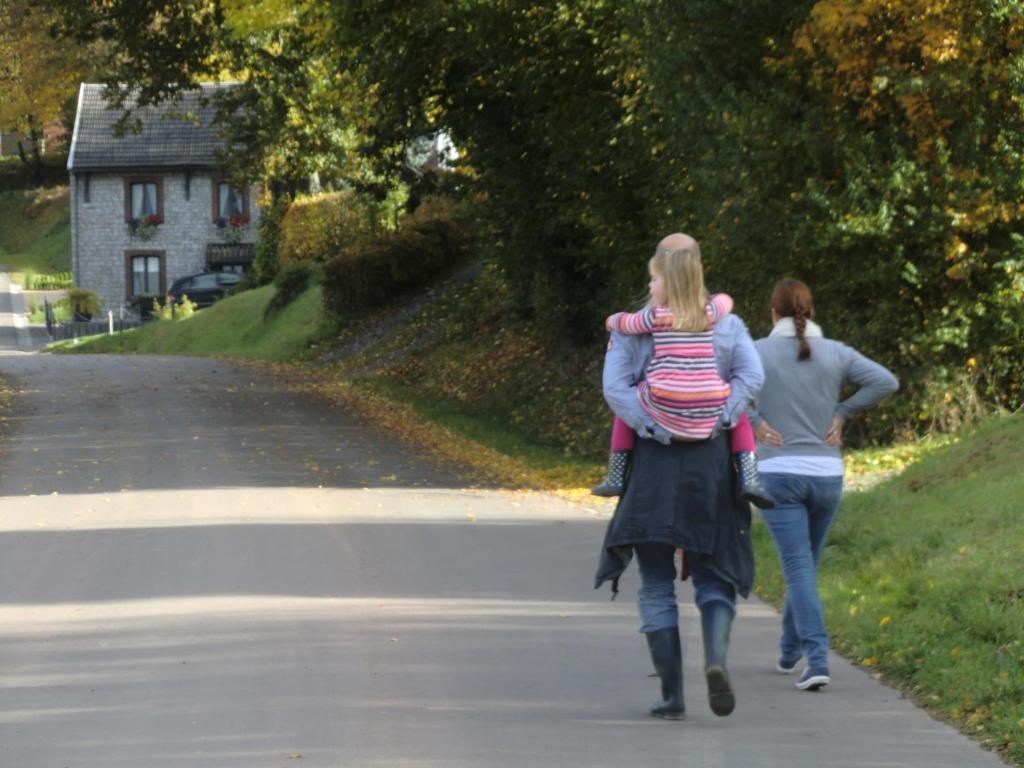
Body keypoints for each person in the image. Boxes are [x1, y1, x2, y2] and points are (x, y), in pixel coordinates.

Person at [594, 233, 764, 720]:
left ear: (661, 273)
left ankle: (671, 695)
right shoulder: (726, 323)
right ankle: (715, 660)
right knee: (714, 570)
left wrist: (652, 423)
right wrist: (720, 417)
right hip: (711, 462)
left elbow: (616, 390)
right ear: (699, 268)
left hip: (652, 464)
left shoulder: (634, 327)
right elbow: (750, 378)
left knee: (654, 580)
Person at [750, 278, 898, 692]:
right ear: (810, 312)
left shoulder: (757, 352)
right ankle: (787, 650)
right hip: (827, 476)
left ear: (773, 312)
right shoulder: (837, 352)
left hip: (779, 474)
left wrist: (754, 422)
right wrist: (842, 412)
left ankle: (816, 660)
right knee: (805, 568)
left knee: (799, 569)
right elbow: (886, 381)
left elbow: (722, 393)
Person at [591, 247, 773, 509]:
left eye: (654, 279)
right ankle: (750, 477)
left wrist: (611, 320)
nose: (649, 285)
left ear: (669, 286)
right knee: (740, 413)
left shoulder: (655, 316)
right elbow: (726, 302)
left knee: (627, 403)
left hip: (664, 397)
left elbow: (627, 323)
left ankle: (617, 474)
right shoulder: (709, 314)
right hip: (710, 400)